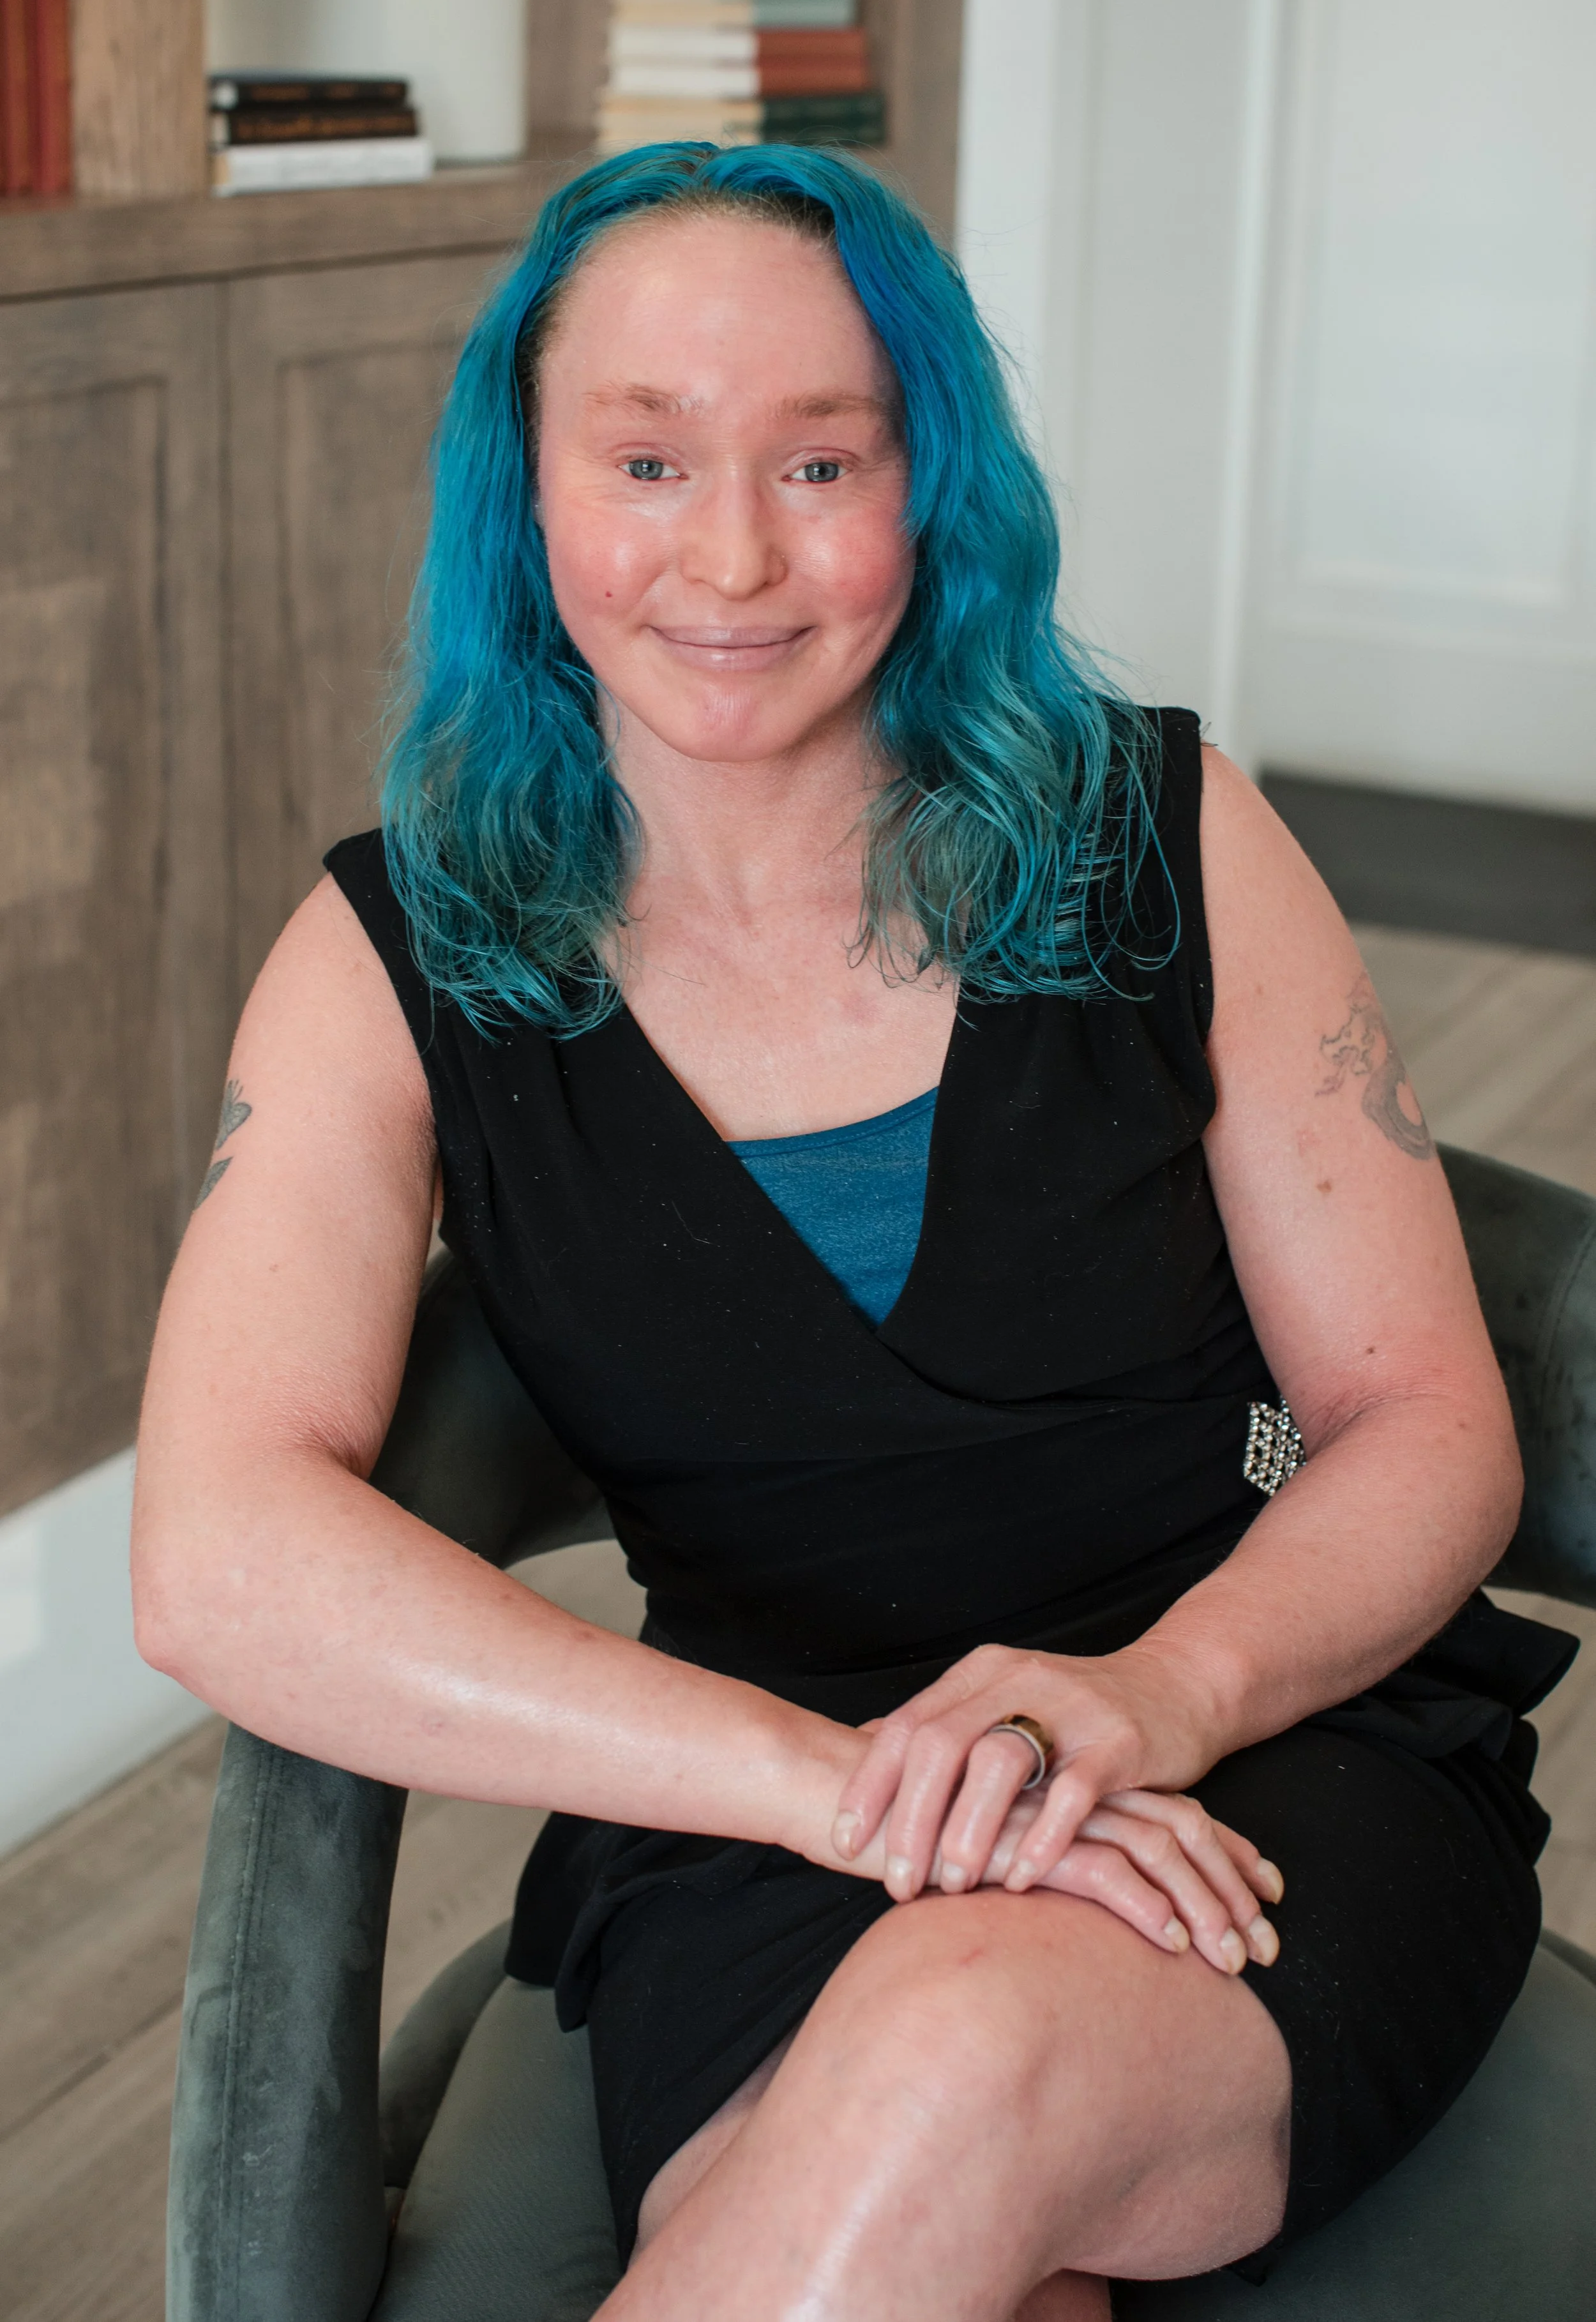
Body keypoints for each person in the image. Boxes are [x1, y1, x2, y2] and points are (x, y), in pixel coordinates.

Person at [133, 144, 1574, 2321]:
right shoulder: (391, 955)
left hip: (1260, 1738)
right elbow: (217, 1547)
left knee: (958, 2049)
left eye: (821, 460)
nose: (730, 555)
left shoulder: (1168, 838)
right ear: (524, 492)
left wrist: (1153, 1696)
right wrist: (829, 1789)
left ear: (935, 488)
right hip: (751, 1799)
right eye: (643, 458)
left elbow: (1420, 1423)